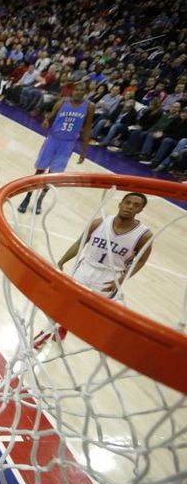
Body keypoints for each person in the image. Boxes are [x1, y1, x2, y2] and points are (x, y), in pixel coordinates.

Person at [34, 193, 153, 349]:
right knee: (65, 303)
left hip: (110, 277)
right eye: (128, 202)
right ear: (120, 204)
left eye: (136, 205)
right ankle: (44, 334)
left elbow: (141, 260)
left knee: (85, 310)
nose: (130, 207)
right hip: (86, 268)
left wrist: (122, 279)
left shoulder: (144, 235)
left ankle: (65, 326)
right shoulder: (99, 223)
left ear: (140, 210)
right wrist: (62, 261)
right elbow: (80, 242)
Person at [18, 82, 95, 214]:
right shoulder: (62, 102)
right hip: (53, 140)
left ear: (85, 93)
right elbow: (51, 115)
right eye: (77, 89)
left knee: (52, 175)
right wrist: (46, 120)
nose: (78, 92)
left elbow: (87, 128)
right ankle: (28, 197)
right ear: (73, 91)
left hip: (68, 144)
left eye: (82, 90)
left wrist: (84, 150)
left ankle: (40, 200)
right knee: (39, 171)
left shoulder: (89, 106)